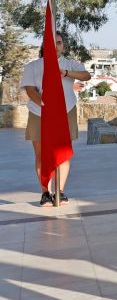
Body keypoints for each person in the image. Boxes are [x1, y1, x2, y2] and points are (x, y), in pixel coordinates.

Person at [20, 32, 90, 206]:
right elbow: (30, 90)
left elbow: (86, 75)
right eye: (52, 42)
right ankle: (45, 192)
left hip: (66, 111)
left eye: (59, 42)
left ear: (63, 45)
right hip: (39, 113)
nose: (56, 46)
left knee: (63, 152)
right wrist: (45, 105)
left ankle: (60, 191)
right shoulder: (32, 66)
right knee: (41, 154)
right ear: (45, 45)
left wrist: (65, 73)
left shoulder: (70, 64)